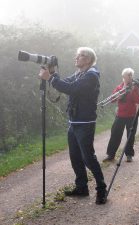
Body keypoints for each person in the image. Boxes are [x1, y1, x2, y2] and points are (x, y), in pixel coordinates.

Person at [38, 47, 107, 204]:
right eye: (76, 55)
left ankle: (102, 189)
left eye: (81, 56)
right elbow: (65, 82)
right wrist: (53, 73)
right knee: (75, 157)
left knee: (88, 158)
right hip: (74, 122)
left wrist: (49, 78)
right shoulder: (80, 74)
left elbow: (71, 89)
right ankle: (81, 187)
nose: (76, 57)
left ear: (88, 60)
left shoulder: (91, 76)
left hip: (85, 123)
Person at [103, 68, 139, 163]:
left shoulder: (134, 87)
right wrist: (118, 97)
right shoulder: (119, 87)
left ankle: (129, 155)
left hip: (131, 115)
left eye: (130, 75)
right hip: (120, 115)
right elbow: (112, 99)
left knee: (130, 135)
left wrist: (132, 91)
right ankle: (111, 154)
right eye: (126, 75)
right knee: (115, 134)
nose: (128, 77)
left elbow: (138, 100)